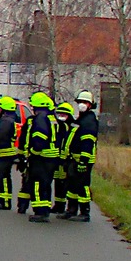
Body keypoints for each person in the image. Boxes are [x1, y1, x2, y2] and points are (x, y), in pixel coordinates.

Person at [59, 90, 100, 222]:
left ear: (90, 105)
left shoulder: (89, 120)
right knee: (72, 185)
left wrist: (83, 161)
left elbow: (87, 142)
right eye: (80, 102)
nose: (82, 104)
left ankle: (84, 212)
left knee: (83, 185)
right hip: (74, 159)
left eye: (85, 102)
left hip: (83, 160)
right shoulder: (81, 118)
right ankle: (71, 210)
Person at [24, 91, 60, 223]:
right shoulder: (51, 117)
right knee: (45, 184)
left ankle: (40, 212)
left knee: (38, 184)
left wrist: (34, 151)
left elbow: (39, 138)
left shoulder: (40, 118)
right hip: (51, 157)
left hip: (42, 158)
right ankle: (44, 210)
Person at [53, 102, 77, 216]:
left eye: (64, 114)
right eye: (60, 113)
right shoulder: (57, 125)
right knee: (58, 182)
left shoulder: (71, 127)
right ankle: (58, 205)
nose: (61, 116)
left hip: (66, 160)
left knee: (65, 183)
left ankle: (65, 206)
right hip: (57, 158)